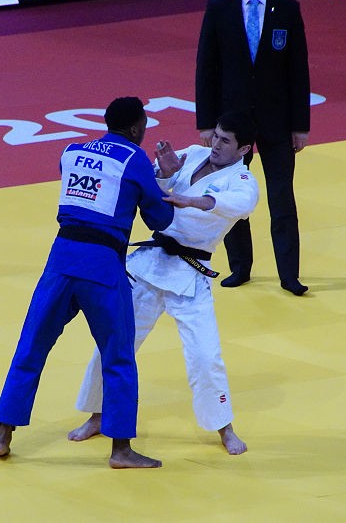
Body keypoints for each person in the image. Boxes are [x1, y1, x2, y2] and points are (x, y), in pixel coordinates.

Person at [0, 97, 175, 469]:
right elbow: (161, 219)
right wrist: (163, 179)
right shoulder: (135, 159)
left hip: (60, 261)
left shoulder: (71, 152)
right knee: (118, 357)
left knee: (31, 346)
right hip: (102, 267)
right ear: (136, 129)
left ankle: (3, 435)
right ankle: (121, 450)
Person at [67, 111, 259, 455]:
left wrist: (190, 199)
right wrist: (166, 173)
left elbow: (234, 205)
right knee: (115, 342)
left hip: (191, 272)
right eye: (215, 136)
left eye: (225, 141)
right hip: (151, 264)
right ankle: (98, 415)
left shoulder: (243, 182)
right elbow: (152, 182)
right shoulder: (195, 154)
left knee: (205, 356)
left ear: (243, 149)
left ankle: (225, 428)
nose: (215, 144)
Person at [196, 0, 311, 295]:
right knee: (232, 194)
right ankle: (240, 267)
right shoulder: (219, 7)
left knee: (282, 197)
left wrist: (300, 125)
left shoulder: (287, 8)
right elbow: (206, 67)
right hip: (232, 122)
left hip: (278, 121)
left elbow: (298, 69)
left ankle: (289, 275)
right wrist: (206, 123)